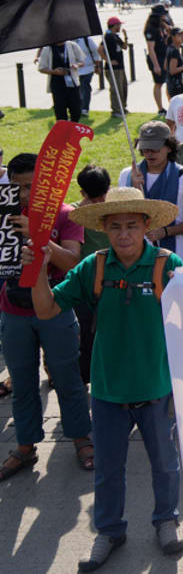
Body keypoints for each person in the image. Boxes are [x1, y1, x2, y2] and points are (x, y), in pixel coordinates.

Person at [26, 187, 183, 570]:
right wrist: (37, 269)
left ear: (146, 226)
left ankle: (166, 520)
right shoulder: (93, 266)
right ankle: (110, 530)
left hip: (157, 387)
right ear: (104, 228)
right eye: (115, 226)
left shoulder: (169, 264)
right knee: (108, 468)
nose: (124, 234)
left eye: (132, 225)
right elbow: (47, 309)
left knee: (166, 464)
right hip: (107, 390)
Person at [0, 153, 91, 483]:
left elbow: (72, 263)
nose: (25, 194)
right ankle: (25, 446)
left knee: (68, 377)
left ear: (45, 184)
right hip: (13, 309)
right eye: (19, 186)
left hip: (56, 307)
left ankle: (81, 437)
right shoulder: (3, 215)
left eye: (32, 185)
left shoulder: (66, 214)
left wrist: (41, 237)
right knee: (22, 383)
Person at [120, 121, 183, 267]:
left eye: (155, 148)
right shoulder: (127, 175)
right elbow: (120, 216)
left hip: (178, 257)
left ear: (169, 147)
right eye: (145, 148)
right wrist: (135, 191)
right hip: (136, 258)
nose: (149, 153)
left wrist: (165, 231)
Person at [37, 40, 86, 122]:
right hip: (57, 83)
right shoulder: (47, 49)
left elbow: (82, 61)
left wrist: (76, 65)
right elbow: (41, 68)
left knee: (76, 109)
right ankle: (63, 130)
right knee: (60, 110)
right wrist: (54, 72)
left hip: (72, 81)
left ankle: (73, 126)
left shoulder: (72, 45)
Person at [144, 5, 172, 114]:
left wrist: (167, 26)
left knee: (168, 82)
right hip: (157, 58)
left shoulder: (162, 25)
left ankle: (171, 105)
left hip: (165, 57)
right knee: (159, 83)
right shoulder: (151, 29)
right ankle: (160, 108)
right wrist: (156, 65)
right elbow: (151, 49)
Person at [99, 17, 128, 117]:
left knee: (123, 88)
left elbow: (124, 47)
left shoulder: (115, 36)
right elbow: (100, 49)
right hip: (112, 69)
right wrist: (109, 61)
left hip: (120, 67)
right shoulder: (107, 36)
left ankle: (122, 108)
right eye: (119, 24)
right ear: (114, 25)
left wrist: (126, 36)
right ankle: (116, 111)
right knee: (116, 89)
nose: (120, 26)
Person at [74, 36, 101, 117]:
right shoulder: (68, 41)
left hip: (88, 68)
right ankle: (77, 107)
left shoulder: (87, 40)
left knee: (85, 87)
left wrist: (97, 66)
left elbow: (96, 52)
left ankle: (85, 108)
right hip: (74, 70)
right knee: (77, 89)